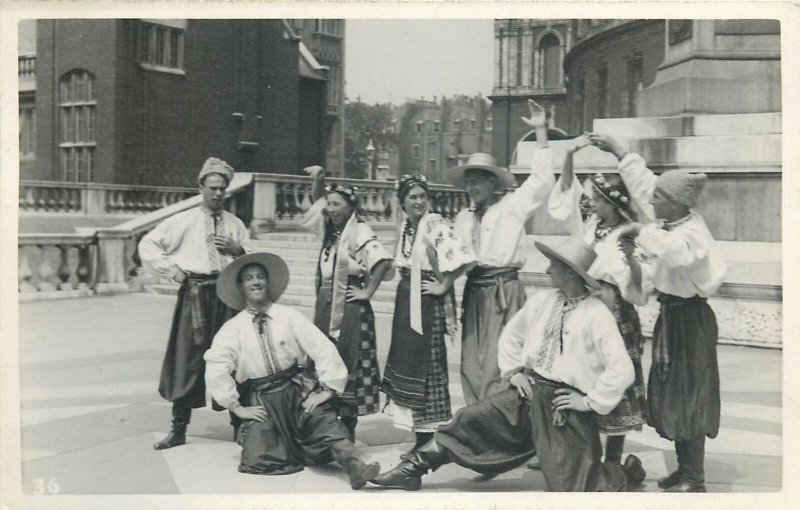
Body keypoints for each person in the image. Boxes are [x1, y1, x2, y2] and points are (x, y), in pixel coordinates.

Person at [370, 236, 637, 492]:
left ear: (569, 272)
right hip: (528, 394)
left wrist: (589, 402)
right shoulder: (543, 301)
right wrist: (514, 373)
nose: (547, 269)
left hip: (562, 409)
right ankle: (411, 470)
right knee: (469, 419)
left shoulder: (597, 314)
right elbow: (512, 334)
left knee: (573, 486)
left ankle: (625, 472)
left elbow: (622, 369)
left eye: (554, 265)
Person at [593, 132, 727, 492]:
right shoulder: (672, 221)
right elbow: (643, 184)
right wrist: (619, 150)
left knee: (690, 394)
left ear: (675, 203)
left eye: (659, 199)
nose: (651, 202)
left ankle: (695, 477)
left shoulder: (692, 233)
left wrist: (639, 229)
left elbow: (675, 253)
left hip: (691, 319)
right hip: (674, 316)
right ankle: (685, 469)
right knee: (672, 392)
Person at [203, 253, 380, 488]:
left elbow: (322, 348)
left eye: (260, 277)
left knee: (323, 422)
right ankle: (287, 444)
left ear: (268, 283)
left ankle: (354, 467)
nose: (255, 282)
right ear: (241, 286)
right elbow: (216, 366)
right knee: (260, 458)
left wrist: (328, 389)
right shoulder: (232, 328)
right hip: (263, 399)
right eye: (248, 278)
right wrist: (236, 407)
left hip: (297, 392)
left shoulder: (288, 316)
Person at [545, 134, 650, 481]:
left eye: (597, 199)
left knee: (615, 376)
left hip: (615, 308)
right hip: (588, 303)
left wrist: (632, 263)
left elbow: (637, 286)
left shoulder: (629, 234)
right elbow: (567, 200)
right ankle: (583, 449)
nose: (590, 203)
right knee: (583, 372)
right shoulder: (592, 227)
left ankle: (614, 460)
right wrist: (571, 154)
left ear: (610, 202)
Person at [139, 157, 252, 450]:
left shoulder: (235, 224)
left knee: (231, 359)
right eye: (212, 188)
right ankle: (179, 429)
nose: (217, 194)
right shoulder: (182, 221)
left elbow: (252, 260)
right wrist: (172, 271)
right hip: (195, 295)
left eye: (222, 189)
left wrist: (238, 250)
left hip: (228, 295)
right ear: (201, 187)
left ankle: (239, 427)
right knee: (187, 359)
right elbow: (147, 245)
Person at [449, 99, 555, 405]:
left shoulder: (511, 207)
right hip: (474, 291)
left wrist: (540, 131)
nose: (472, 188)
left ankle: (503, 429)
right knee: (471, 362)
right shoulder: (463, 218)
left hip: (503, 291)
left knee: (500, 361)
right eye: (468, 182)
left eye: (477, 181)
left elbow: (542, 181)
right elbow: (455, 260)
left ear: (492, 182)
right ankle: (477, 425)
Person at [381, 174, 477, 459]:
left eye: (422, 196)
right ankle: (420, 436)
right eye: (412, 197)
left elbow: (464, 258)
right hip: (406, 302)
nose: (419, 202)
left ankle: (430, 437)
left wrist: (444, 285)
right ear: (402, 203)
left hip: (426, 304)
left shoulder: (433, 223)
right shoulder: (406, 228)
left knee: (428, 367)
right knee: (408, 365)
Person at [301, 165, 394, 440]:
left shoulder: (360, 230)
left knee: (348, 359)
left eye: (336, 204)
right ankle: (325, 424)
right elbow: (317, 206)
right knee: (323, 356)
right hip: (326, 302)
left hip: (351, 306)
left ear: (351, 206)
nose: (330, 209)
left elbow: (383, 261)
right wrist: (319, 180)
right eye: (329, 204)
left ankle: (348, 427)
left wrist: (367, 293)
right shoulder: (332, 231)